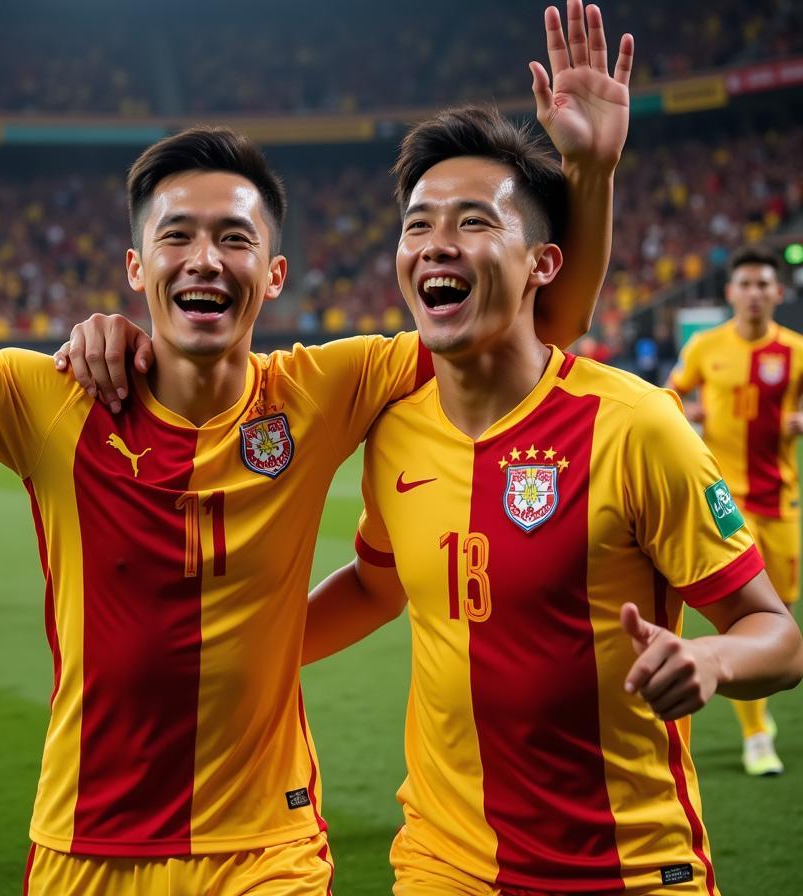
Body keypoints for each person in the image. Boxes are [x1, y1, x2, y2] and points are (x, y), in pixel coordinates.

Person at [0, 0, 630, 894]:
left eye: (234, 240)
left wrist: (590, 174)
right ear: (135, 267)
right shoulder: (48, 400)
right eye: (176, 237)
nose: (204, 259)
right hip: (85, 845)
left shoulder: (326, 387)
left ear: (273, 276)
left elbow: (537, 325)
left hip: (265, 848)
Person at [302, 109, 803, 896]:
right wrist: (248, 646)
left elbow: (776, 636)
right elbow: (375, 584)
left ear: (542, 264)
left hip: (628, 865)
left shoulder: (636, 425)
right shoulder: (394, 431)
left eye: (473, 222)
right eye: (417, 225)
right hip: (444, 861)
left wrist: (709, 657)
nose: (437, 242)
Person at [668, 246, 803, 776]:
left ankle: (757, 720)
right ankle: (754, 739)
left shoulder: (794, 352)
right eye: (744, 284)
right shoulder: (706, 347)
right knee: (746, 616)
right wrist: (690, 409)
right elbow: (669, 396)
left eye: (762, 284)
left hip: (780, 502)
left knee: (781, 616)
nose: (753, 293)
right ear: (730, 293)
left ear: (777, 292)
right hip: (726, 505)